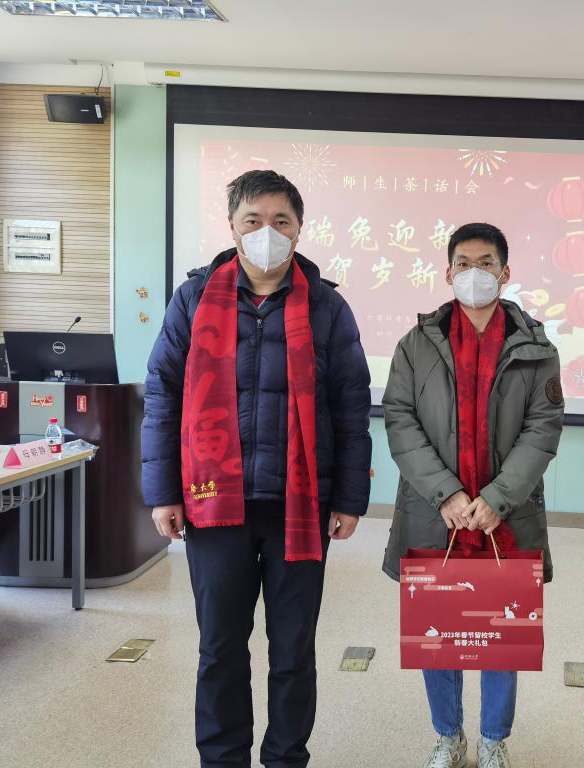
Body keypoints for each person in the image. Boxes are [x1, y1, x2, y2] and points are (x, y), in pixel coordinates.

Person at [141, 169, 372, 768]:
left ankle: (286, 758)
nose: (267, 231)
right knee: (220, 648)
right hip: (214, 503)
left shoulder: (326, 306)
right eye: (253, 220)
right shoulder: (193, 299)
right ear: (232, 227)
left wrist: (349, 499)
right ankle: (222, 760)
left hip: (300, 505)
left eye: (280, 221)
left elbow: (351, 406)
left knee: (293, 650)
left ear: (299, 229)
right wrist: (162, 492)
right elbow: (163, 394)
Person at [381, 223, 564, 768]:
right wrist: (447, 494)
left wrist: (496, 498)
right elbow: (400, 419)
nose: (474, 273)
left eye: (486, 263)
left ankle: (492, 740)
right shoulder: (416, 344)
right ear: (448, 272)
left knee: (501, 630)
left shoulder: (536, 347)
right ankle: (448, 736)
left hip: (505, 517)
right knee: (438, 630)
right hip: (434, 513)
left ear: (505, 273)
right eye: (463, 263)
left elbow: (542, 428)